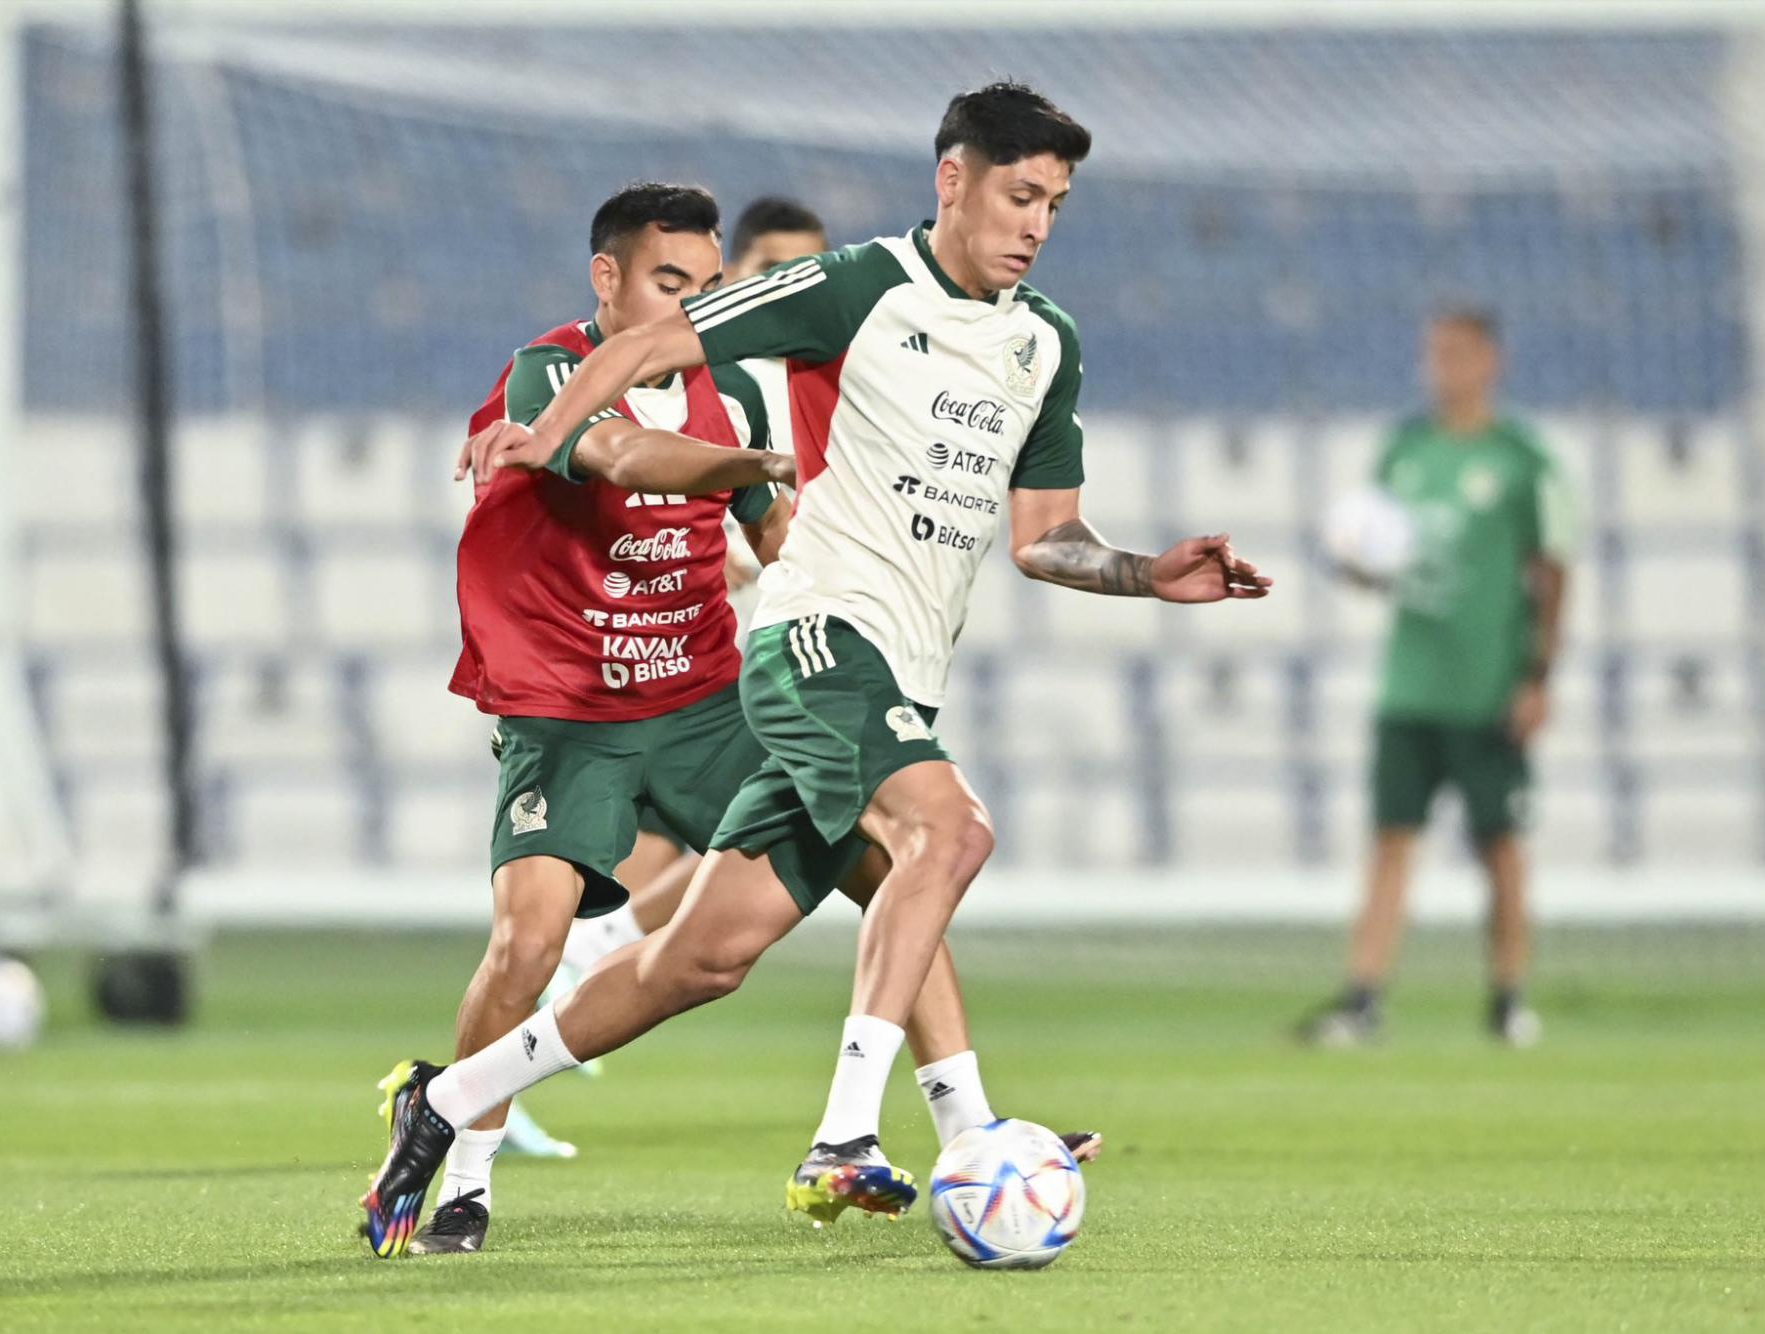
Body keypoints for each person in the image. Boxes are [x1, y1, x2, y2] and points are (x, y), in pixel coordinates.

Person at [368, 82, 1269, 1247]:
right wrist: (542, 437)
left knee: (700, 957)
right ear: (952, 180)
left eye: (1053, 203)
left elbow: (1045, 536)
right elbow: (647, 346)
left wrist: (1146, 572)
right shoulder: (859, 285)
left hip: (881, 669)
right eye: (1018, 195)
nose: (1036, 223)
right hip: (813, 639)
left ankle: (446, 1098)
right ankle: (850, 1135)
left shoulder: (1045, 342)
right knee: (946, 831)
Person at [550, 196, 833, 988]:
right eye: (771, 270)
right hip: (650, 667)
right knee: (815, 819)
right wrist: (726, 548)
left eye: (805, 273)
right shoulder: (710, 375)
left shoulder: (814, 376)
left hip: (732, 661)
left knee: (800, 824)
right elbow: (645, 481)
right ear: (735, 276)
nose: (786, 289)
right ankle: (585, 967)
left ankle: (593, 962)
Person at [1299, 309, 1575, 1048]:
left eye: (1456, 352)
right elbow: (1380, 558)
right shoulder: (1405, 449)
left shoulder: (1522, 459)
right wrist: (1357, 564)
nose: (1440, 366)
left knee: (1499, 846)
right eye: (1434, 353)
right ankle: (1363, 999)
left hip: (1487, 689)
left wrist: (1538, 678)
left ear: (1491, 360)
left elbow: (1552, 572)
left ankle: (1509, 999)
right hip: (1409, 686)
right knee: (1391, 840)